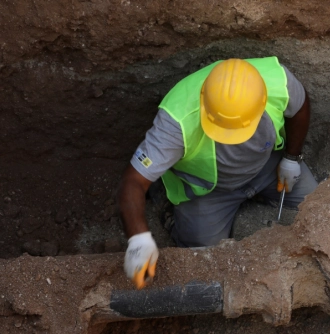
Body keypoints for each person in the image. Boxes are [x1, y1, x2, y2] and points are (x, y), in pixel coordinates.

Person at [118, 57, 317, 289]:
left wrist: (292, 158)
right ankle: (169, 211)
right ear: (203, 102)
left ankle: (256, 193)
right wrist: (139, 239)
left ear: (262, 101)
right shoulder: (177, 120)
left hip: (266, 168)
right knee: (205, 257)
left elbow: (301, 107)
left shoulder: (277, 80)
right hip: (208, 191)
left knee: (316, 202)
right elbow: (133, 181)